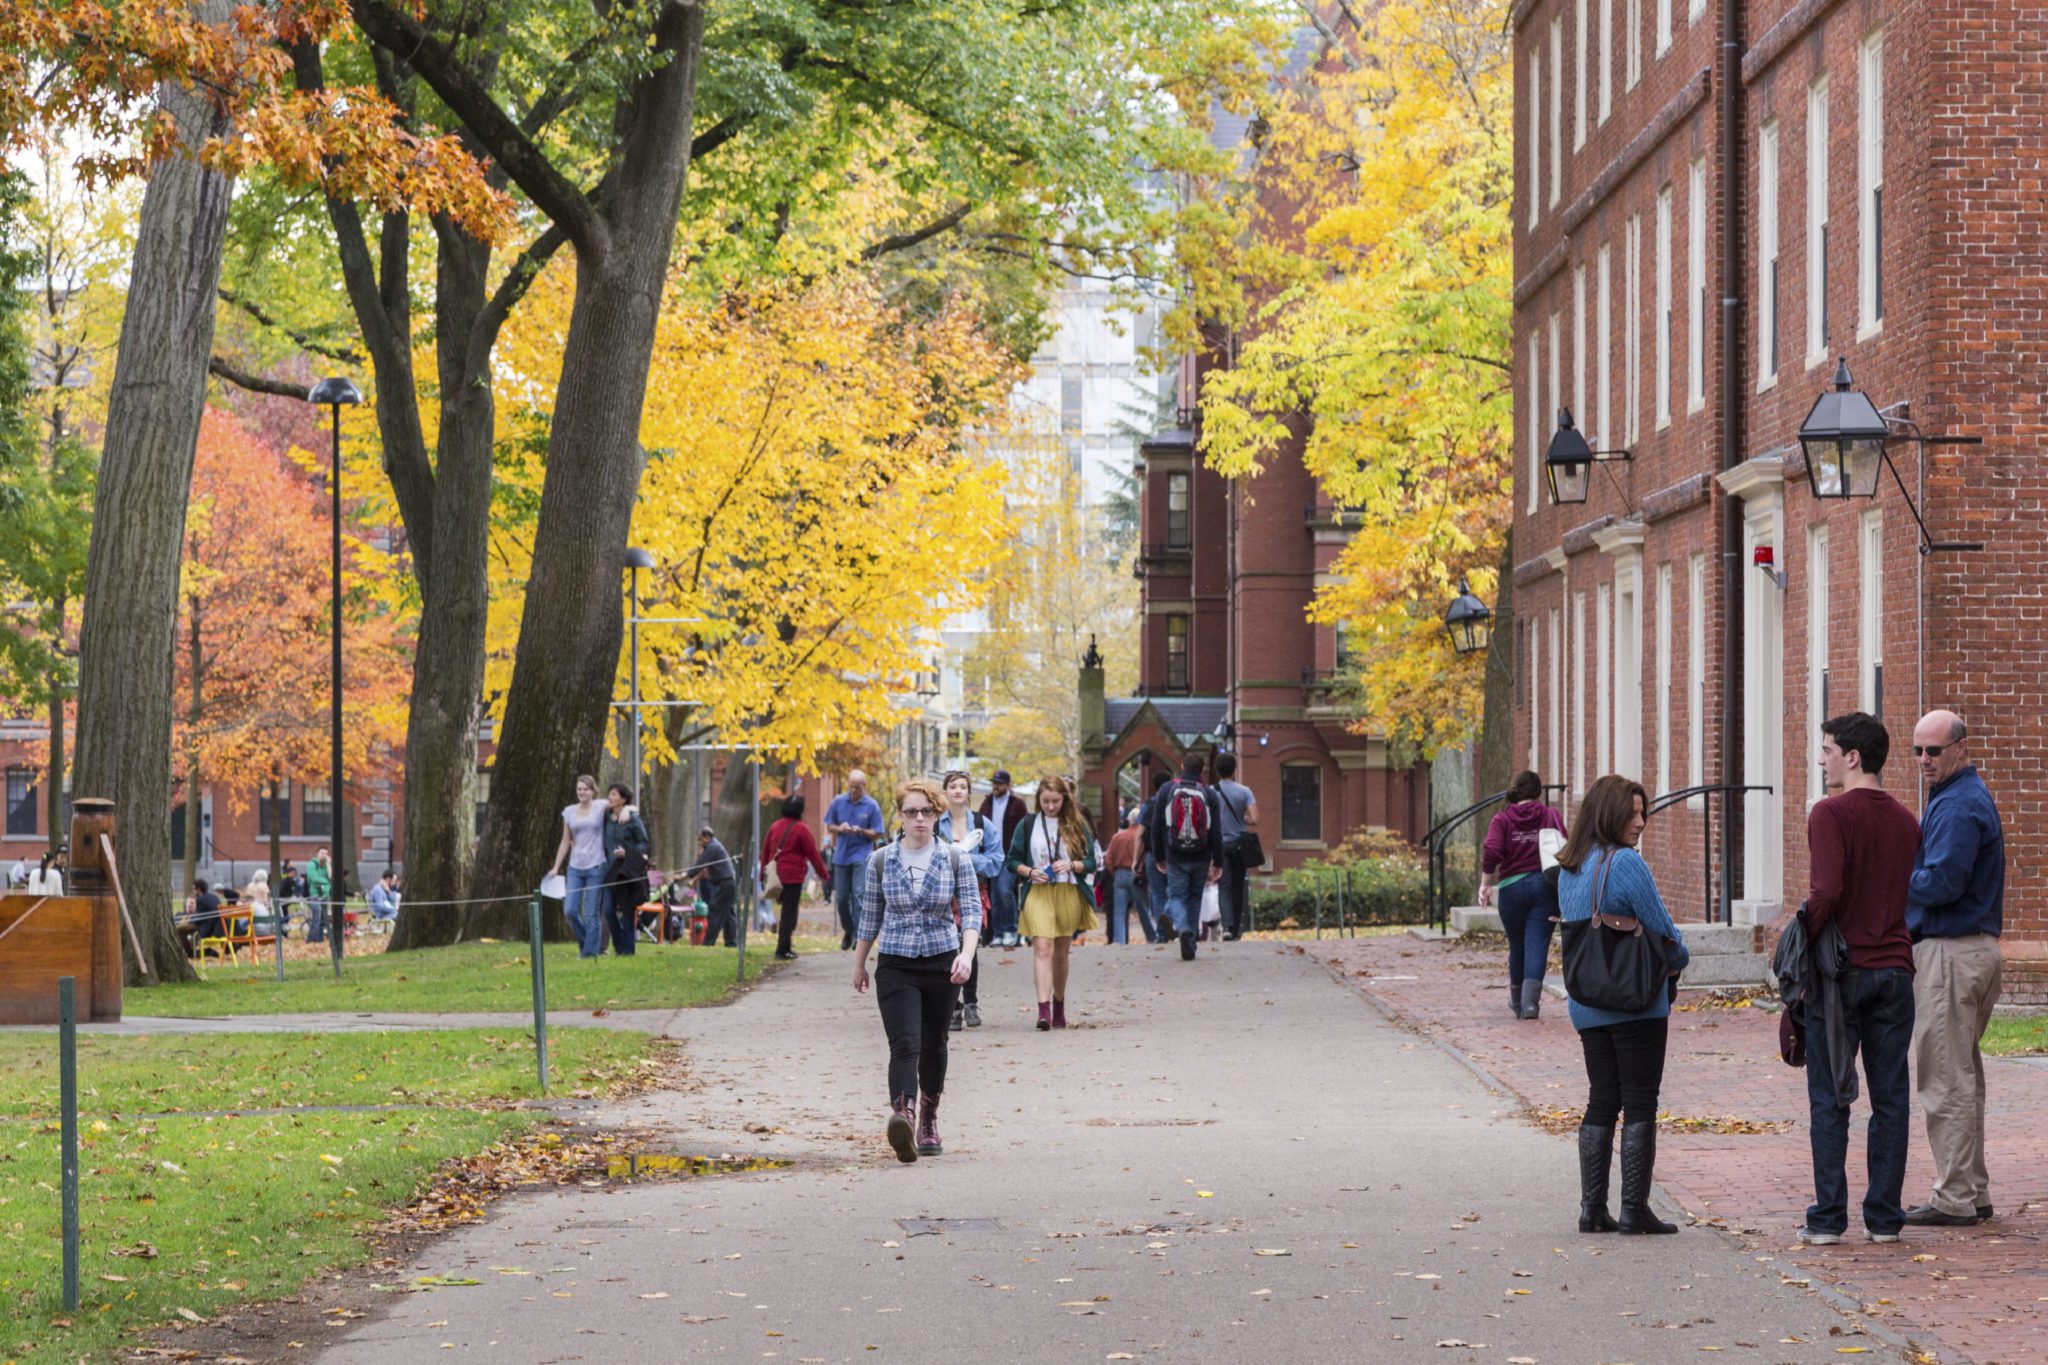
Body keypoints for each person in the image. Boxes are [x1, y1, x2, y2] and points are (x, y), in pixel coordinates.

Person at [1797, 712, 1922, 1245]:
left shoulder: (1830, 813)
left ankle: (1827, 1220)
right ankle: (1884, 1219)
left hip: (1842, 974)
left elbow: (1825, 893)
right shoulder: (1907, 820)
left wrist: (1801, 939)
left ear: (1852, 757)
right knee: (1890, 1096)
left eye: (1826, 750)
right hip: (1895, 969)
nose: (1820, 759)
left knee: (1830, 1096)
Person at [1556, 773, 1690, 1236]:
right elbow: (1664, 931)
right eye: (1632, 813)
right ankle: (1634, 1208)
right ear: (1609, 814)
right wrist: (1679, 960)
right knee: (1639, 1102)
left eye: (1642, 813)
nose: (1640, 822)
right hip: (1635, 1003)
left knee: (1600, 1099)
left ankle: (1592, 1209)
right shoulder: (1626, 864)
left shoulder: (1569, 867)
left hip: (1587, 1003)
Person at [1904, 709, 2006, 1228]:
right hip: (1971, 950)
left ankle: (1954, 1197)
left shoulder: (1959, 805)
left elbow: (1943, 883)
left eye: (1934, 751)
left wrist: (1890, 880)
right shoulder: (1957, 798)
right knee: (1961, 1077)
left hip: (1951, 953)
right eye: (1918, 750)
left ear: (1961, 748)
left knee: (1944, 1079)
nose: (1924, 759)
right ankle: (1973, 1190)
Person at [853, 777, 981, 1162]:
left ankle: (928, 1117)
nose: (919, 819)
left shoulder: (956, 858)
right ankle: (903, 1116)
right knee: (904, 1043)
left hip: (943, 961)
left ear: (937, 815)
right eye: (912, 812)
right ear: (900, 816)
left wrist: (966, 955)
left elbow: (972, 912)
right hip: (896, 963)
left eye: (927, 812)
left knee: (934, 1042)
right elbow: (870, 916)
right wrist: (859, 964)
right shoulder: (880, 860)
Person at [1007, 774, 1099, 1029]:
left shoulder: (1076, 824)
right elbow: (1012, 860)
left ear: (1064, 800)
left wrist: (1072, 864)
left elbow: (1092, 861)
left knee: (1060, 954)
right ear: (1038, 799)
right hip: (1038, 891)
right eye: (1045, 801)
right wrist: (1029, 871)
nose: (1050, 806)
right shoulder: (1027, 824)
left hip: (1067, 891)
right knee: (1042, 948)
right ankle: (1043, 1010)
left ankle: (1059, 1004)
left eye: (1055, 801)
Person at [1479, 771, 1570, 1020]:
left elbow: (1492, 850)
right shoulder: (1551, 815)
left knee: (1516, 945)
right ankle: (1531, 1004)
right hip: (1545, 888)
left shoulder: (1502, 819)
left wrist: (1485, 883)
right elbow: (1566, 846)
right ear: (1539, 792)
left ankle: (1517, 1000)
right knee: (1537, 944)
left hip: (1511, 889)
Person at [937, 769, 1003, 1030]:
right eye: (953, 786)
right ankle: (952, 1006)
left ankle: (971, 1001)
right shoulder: (934, 823)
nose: (958, 791)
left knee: (968, 944)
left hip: (972, 890)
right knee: (947, 946)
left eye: (963, 787)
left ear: (968, 792)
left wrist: (964, 856)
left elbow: (996, 861)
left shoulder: (982, 823)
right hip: (941, 892)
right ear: (946, 791)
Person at [1148, 753, 1222, 961]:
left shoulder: (1167, 790)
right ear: (1203, 770)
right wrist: (1218, 861)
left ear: (1181, 766)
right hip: (1201, 854)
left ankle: (1182, 927)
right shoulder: (1208, 794)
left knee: (1177, 895)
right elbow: (1216, 831)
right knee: (1194, 897)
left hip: (1175, 854)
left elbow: (1157, 827)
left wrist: (1159, 855)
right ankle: (1190, 941)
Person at [547, 776, 611, 958]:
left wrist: (628, 810)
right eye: (579, 789)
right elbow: (565, 841)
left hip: (596, 866)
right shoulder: (569, 812)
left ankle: (589, 954)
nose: (582, 792)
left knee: (591, 913)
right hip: (575, 866)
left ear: (593, 791)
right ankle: (590, 944)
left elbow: (623, 804)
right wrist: (555, 867)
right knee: (570, 910)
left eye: (586, 789)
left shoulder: (600, 806)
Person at [825, 770, 886, 950]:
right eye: (851, 787)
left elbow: (878, 833)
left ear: (864, 786)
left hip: (861, 854)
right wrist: (840, 828)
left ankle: (860, 937)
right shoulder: (838, 802)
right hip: (842, 855)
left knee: (859, 894)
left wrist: (861, 831)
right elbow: (829, 826)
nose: (853, 791)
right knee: (842, 898)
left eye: (857, 788)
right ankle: (849, 930)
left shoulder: (872, 806)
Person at [763, 793, 829, 960]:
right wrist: (824, 874)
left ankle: (785, 946)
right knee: (789, 913)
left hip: (776, 874)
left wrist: (761, 874)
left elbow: (766, 851)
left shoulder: (775, 826)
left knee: (787, 912)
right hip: (793, 876)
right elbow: (813, 854)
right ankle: (782, 949)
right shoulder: (802, 829)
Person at [978, 770, 1030, 947]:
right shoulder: (987, 803)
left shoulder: (1018, 804)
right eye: (994, 782)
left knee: (1004, 891)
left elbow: (1025, 829)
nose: (995, 786)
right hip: (991, 855)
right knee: (994, 895)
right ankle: (998, 933)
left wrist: (1023, 855)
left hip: (1010, 856)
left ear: (1008, 785)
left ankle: (1011, 930)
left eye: (999, 783)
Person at [1213, 752, 1259, 940]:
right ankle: (1236, 929)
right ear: (1234, 769)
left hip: (1220, 844)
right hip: (1239, 844)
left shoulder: (1211, 791)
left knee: (1223, 886)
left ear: (1217, 770)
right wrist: (1243, 819)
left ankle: (1227, 926)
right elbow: (1255, 818)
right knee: (1238, 885)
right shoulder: (1244, 791)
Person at [602, 783, 651, 957]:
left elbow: (644, 843)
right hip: (609, 871)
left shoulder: (633, 818)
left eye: (614, 795)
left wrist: (627, 852)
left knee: (627, 911)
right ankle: (619, 945)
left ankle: (627, 951)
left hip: (625, 871)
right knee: (608, 910)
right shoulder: (606, 816)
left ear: (623, 799)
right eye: (610, 794)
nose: (610, 797)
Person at [1101, 807, 1151, 945]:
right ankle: (1152, 938)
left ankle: (1120, 941)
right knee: (1144, 910)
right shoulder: (1142, 836)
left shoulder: (1117, 837)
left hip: (1120, 874)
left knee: (1119, 911)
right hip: (1137, 875)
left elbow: (1108, 860)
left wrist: (1115, 873)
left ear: (1129, 821)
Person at [688, 826, 739, 947]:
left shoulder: (713, 847)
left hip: (725, 883)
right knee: (728, 915)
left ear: (707, 837)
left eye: (701, 840)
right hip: (728, 882)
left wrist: (689, 874)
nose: (699, 843)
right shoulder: (712, 846)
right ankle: (731, 943)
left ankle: (708, 943)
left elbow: (701, 863)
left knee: (715, 912)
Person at [305, 847, 333, 943]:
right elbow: (314, 878)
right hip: (315, 894)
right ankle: (311, 939)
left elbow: (330, 877)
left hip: (325, 895)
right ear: (317, 854)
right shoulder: (311, 865)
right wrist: (327, 882)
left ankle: (319, 938)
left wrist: (329, 865)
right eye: (322, 853)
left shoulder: (326, 866)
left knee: (323, 917)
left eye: (326, 853)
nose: (324, 855)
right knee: (316, 915)